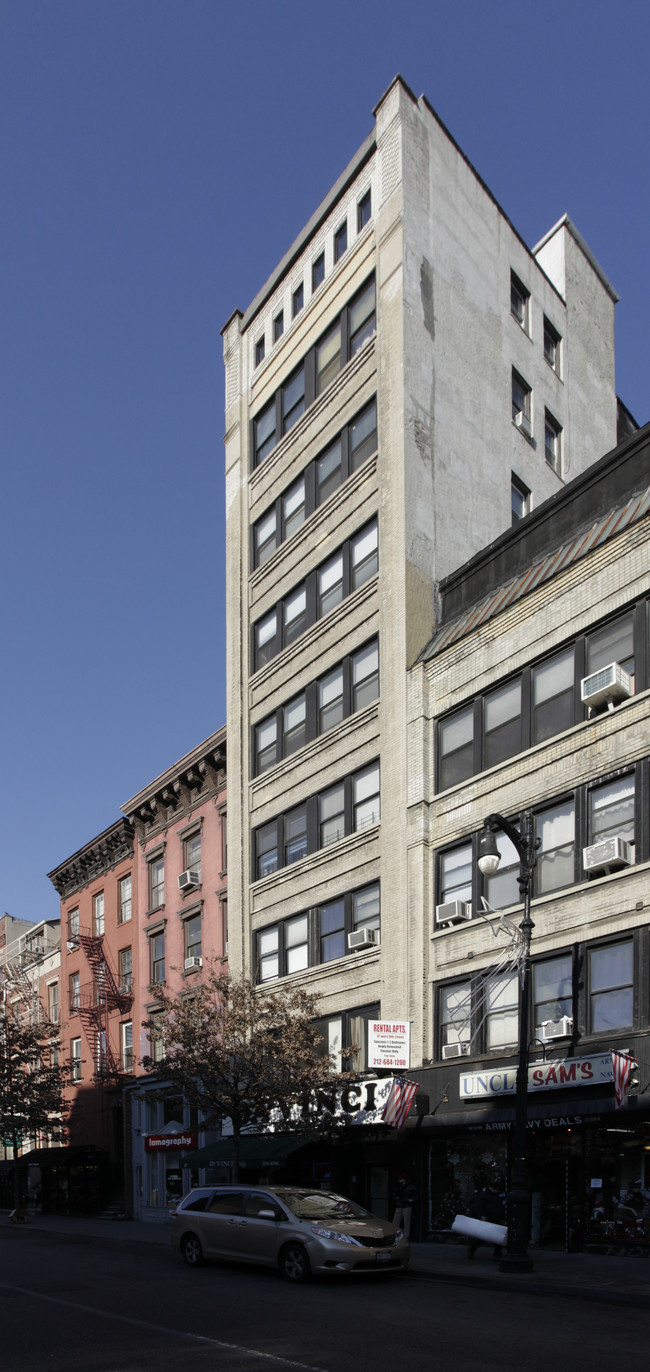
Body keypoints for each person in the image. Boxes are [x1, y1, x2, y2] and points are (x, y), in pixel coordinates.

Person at [467, 1177, 505, 1259]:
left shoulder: (492, 1195)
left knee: (496, 1237)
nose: (498, 1191)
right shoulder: (484, 1195)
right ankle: (472, 1249)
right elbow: (477, 1206)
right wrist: (482, 1215)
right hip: (489, 1218)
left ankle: (497, 1253)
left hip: (494, 1218)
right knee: (485, 1237)